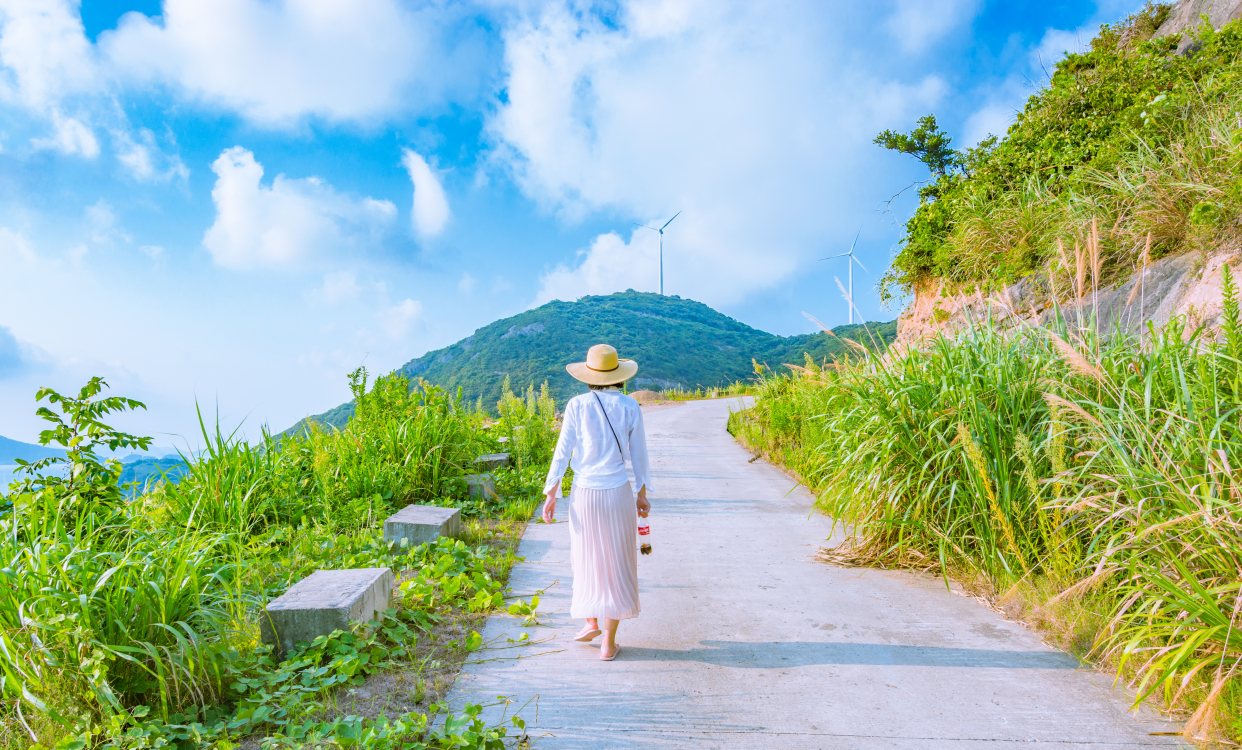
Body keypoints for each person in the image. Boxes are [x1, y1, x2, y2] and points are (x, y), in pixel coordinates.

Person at [542, 343, 651, 661]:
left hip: (584, 494)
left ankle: (590, 620)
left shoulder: (577, 405)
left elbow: (562, 451)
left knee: (585, 557)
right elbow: (639, 455)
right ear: (619, 376)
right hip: (617, 491)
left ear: (588, 375)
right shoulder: (630, 407)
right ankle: (608, 642)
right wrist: (642, 494)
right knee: (616, 561)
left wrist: (551, 492)